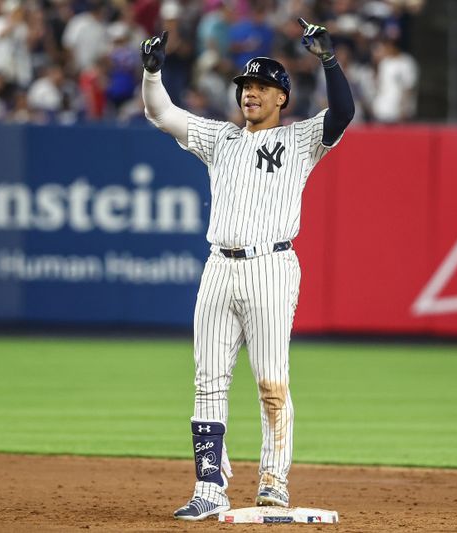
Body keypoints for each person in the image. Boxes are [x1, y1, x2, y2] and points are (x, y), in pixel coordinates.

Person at [139, 18, 354, 521]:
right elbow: (161, 111)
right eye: (245, 87)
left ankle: (274, 482)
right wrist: (152, 71)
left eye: (261, 87)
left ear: (282, 97)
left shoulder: (302, 141)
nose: (250, 94)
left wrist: (328, 59)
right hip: (219, 267)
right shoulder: (220, 139)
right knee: (207, 381)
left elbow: (342, 111)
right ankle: (209, 487)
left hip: (271, 267)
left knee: (270, 381)